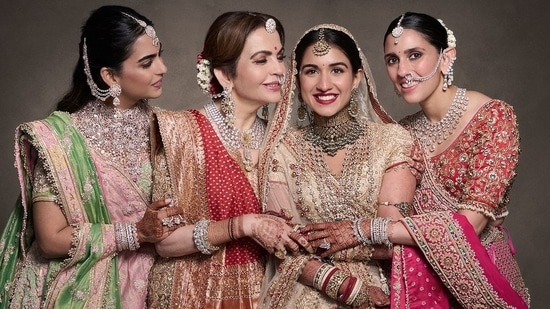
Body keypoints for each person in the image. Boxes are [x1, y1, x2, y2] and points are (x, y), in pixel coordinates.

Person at [305, 12, 530, 308]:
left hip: (483, 280)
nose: (403, 71)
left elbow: (466, 227)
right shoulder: (400, 133)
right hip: (420, 285)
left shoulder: (493, 118)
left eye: (415, 55)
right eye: (392, 60)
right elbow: (391, 229)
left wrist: (359, 230)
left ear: (446, 57)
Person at [0, 5, 180, 308]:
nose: (162, 68)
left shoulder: (171, 128)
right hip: (81, 287)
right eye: (148, 62)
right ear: (110, 76)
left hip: (158, 281)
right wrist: (135, 233)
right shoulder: (61, 140)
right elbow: (50, 239)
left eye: (160, 56)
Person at [146, 11, 311, 309]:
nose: (279, 70)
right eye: (261, 60)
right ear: (224, 75)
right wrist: (243, 225)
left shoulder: (286, 143)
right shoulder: (181, 132)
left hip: (267, 296)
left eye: (279, 57)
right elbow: (165, 242)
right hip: (191, 296)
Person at [258, 24, 423, 308]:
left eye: (337, 70)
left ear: (357, 77)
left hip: (384, 293)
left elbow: (393, 238)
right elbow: (286, 247)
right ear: (297, 81)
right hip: (303, 292)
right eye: (312, 71)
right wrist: (347, 287)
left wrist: (333, 241)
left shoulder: (393, 142)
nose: (324, 84)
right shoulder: (281, 150)